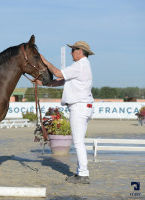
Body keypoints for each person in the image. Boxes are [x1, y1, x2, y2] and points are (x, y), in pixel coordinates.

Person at [38, 41, 94, 184]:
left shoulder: (79, 65)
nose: (71, 52)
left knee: (78, 141)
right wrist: (45, 83)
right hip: (83, 106)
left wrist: (44, 61)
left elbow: (57, 73)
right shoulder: (83, 66)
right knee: (79, 141)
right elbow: (61, 81)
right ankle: (80, 172)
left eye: (73, 50)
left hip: (79, 106)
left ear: (80, 51)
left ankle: (83, 174)